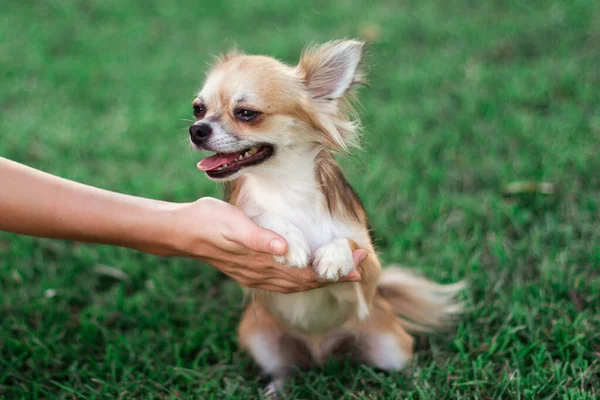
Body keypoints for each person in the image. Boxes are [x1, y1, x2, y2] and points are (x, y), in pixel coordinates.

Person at [0, 157, 365, 293]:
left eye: (247, 114)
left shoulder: (338, 203)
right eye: (199, 110)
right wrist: (178, 229)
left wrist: (176, 226)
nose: (200, 127)